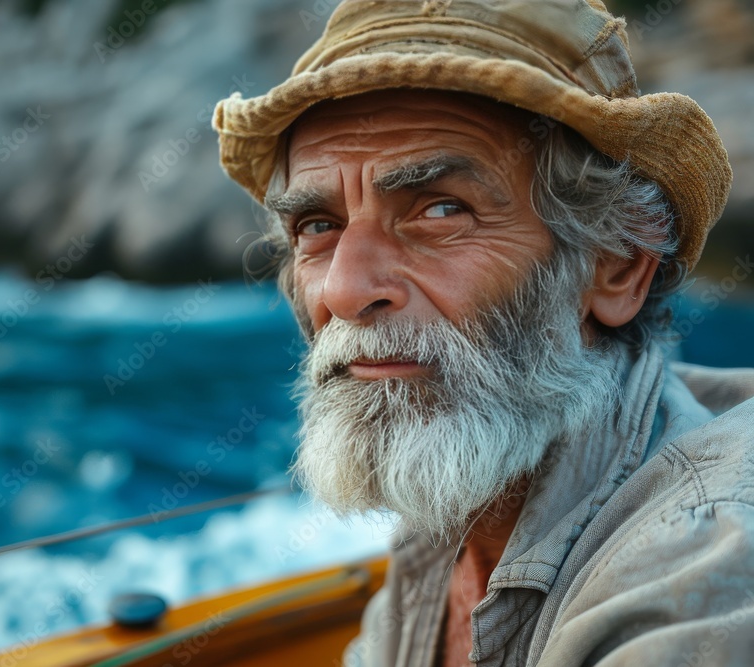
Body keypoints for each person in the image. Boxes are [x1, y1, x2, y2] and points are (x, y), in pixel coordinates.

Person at [213, 0, 754, 665]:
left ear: (616, 266)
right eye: (318, 227)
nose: (345, 291)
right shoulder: (448, 510)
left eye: (442, 210)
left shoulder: (706, 561)